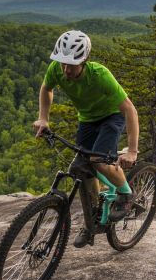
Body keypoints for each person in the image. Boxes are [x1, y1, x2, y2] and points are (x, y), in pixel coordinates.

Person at [33, 30, 140, 247]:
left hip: (112, 117)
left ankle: (127, 195)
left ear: (84, 60)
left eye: (71, 65)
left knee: (99, 162)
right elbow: (46, 88)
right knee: (81, 168)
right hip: (88, 119)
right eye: (63, 63)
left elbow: (129, 109)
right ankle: (92, 221)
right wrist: (43, 118)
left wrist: (132, 151)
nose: (66, 69)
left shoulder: (100, 76)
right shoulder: (57, 69)